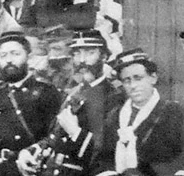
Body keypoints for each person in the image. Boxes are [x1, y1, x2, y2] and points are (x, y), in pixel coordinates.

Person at [16, 29, 125, 176]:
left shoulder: (114, 97)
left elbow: (106, 153)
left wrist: (75, 132)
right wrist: (31, 150)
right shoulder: (73, 92)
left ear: (104, 56)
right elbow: (55, 136)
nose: (81, 60)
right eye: (77, 53)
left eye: (89, 53)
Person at [90, 49, 184, 176]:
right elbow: (101, 160)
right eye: (127, 80)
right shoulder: (114, 117)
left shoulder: (177, 115)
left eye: (138, 78)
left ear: (153, 78)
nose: (133, 85)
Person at [0, 32, 64, 176]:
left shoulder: (46, 92)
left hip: (29, 168)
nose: (9, 60)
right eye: (3, 56)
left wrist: (32, 152)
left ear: (28, 57)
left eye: (15, 54)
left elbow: (56, 134)